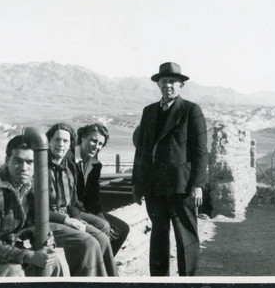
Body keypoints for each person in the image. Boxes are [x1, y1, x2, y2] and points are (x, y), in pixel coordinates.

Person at [132, 62, 208, 276]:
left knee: (186, 237)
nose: (168, 85)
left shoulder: (191, 110)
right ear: (158, 85)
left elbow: (201, 151)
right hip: (154, 187)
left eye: (173, 81)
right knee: (158, 237)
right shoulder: (149, 112)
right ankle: (159, 280)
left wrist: (198, 185)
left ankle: (189, 280)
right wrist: (137, 184)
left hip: (181, 186)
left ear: (181, 85)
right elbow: (142, 152)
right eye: (164, 81)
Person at [0, 134, 62, 277]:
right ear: (7, 161)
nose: (24, 168)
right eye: (18, 161)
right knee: (13, 271)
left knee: (53, 263)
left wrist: (49, 245)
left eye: (29, 162)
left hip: (13, 253)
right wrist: (28, 256)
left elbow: (39, 225)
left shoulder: (29, 187)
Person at [46, 123, 118, 276]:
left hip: (69, 214)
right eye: (57, 140)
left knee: (103, 239)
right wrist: (69, 220)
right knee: (91, 242)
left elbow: (73, 200)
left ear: (70, 143)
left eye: (65, 141)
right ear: (48, 141)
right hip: (49, 221)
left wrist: (77, 219)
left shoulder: (68, 166)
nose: (61, 145)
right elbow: (35, 208)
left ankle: (112, 280)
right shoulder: (40, 167)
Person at [74, 123, 130, 257]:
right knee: (102, 228)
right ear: (82, 138)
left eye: (100, 144)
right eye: (93, 140)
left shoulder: (95, 165)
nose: (96, 146)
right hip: (71, 209)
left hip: (85, 209)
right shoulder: (69, 158)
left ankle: (102, 266)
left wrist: (100, 215)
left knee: (121, 229)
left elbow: (93, 197)